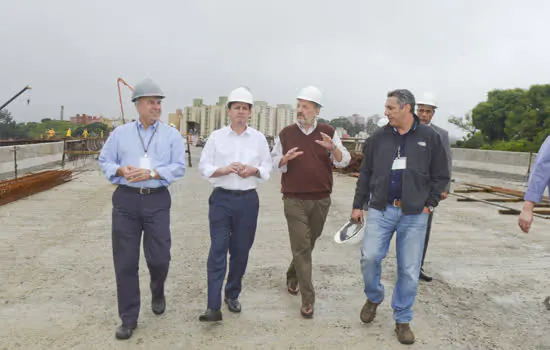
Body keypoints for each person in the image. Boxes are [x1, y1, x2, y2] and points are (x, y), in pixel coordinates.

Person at [350, 89, 449, 345]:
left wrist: (430, 203)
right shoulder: (379, 138)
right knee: (369, 257)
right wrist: (358, 205)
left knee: (408, 268)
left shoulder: (431, 137)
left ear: (407, 109)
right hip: (382, 209)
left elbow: (441, 174)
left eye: (390, 108)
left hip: (415, 214)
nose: (386, 112)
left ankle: (402, 319)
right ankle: (374, 296)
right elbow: (366, 173)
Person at [98, 78, 186, 340]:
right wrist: (119, 169)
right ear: (138, 104)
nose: (156, 107)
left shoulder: (171, 135)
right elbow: (104, 160)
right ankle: (128, 317)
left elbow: (179, 167)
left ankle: (157, 289)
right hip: (125, 200)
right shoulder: (120, 134)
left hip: (157, 199)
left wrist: (154, 172)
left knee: (160, 258)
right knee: (125, 261)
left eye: (159, 102)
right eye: (151, 102)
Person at [271, 85, 351, 318]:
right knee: (302, 246)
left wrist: (332, 148)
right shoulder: (286, 133)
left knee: (308, 244)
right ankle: (308, 299)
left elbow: (343, 161)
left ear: (316, 110)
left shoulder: (328, 131)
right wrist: (284, 159)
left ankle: (292, 274)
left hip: (321, 199)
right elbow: (273, 161)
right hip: (293, 199)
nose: (300, 110)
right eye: (299, 105)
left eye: (305, 106)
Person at [197, 87, 272, 322]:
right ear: (228, 111)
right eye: (236, 107)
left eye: (245, 108)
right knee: (218, 249)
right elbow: (204, 166)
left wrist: (253, 170)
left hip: (248, 201)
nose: (240, 112)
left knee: (240, 252)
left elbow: (267, 168)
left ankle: (232, 293)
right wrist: (224, 170)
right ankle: (213, 306)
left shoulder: (259, 139)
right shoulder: (216, 137)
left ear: (250, 112)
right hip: (221, 199)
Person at [416, 93, 453, 282]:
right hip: (404, 189)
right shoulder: (406, 130)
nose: (423, 114)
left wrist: (444, 188)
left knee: (423, 228)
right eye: (420, 110)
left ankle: (417, 267)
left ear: (433, 113)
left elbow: (446, 162)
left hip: (429, 190)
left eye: (427, 111)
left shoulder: (441, 135)